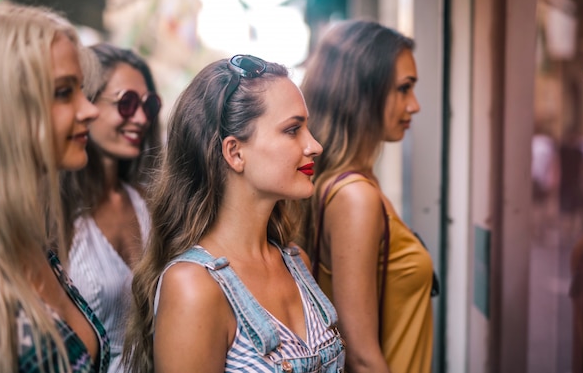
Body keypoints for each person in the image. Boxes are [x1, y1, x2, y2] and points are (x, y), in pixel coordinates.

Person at [123, 55, 346, 372]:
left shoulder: (297, 262)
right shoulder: (194, 286)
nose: (314, 145)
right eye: (293, 130)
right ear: (235, 152)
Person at [0, 3, 110, 372]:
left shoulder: (35, 241)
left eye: (81, 89)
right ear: (4, 107)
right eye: (64, 92)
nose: (89, 110)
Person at [300, 19, 433, 373]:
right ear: (364, 92)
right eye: (404, 89)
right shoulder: (355, 196)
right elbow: (361, 358)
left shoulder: (345, 184)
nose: (415, 105)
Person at [61, 43, 162, 372]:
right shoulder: (54, 216)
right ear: (87, 103)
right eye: (127, 102)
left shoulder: (149, 202)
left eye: (149, 104)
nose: (142, 117)